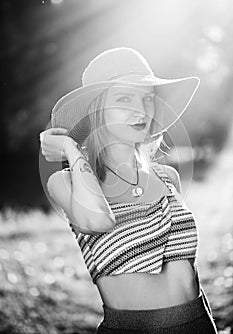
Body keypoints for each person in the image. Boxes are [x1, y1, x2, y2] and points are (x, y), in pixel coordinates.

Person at [39, 47, 218, 333]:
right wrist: (72, 150)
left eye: (147, 98)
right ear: (96, 110)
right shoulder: (65, 183)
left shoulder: (168, 176)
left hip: (198, 322)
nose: (142, 110)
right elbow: (97, 221)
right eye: (124, 98)